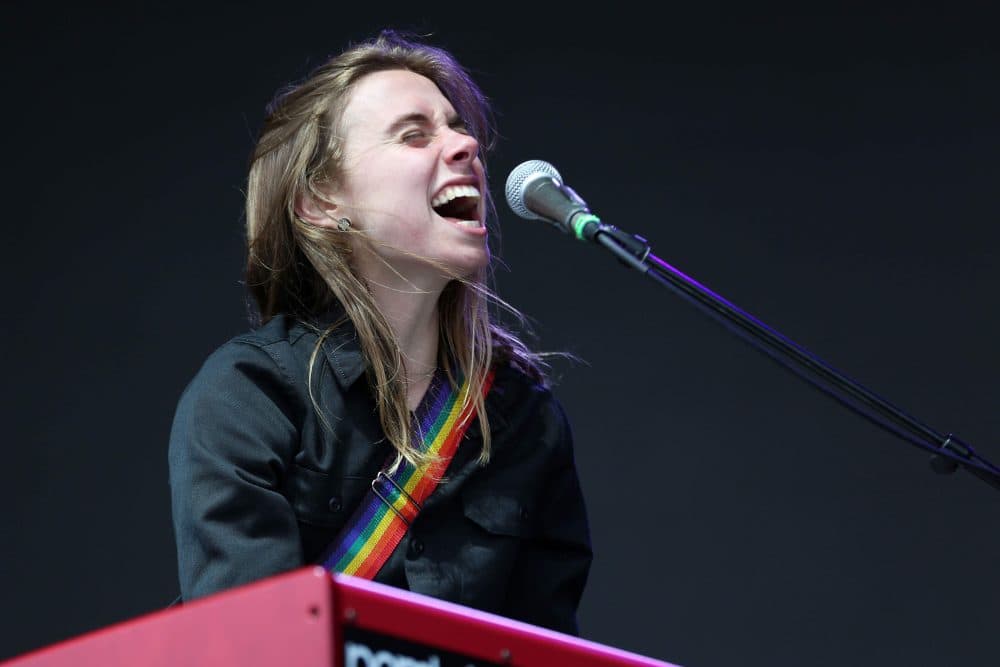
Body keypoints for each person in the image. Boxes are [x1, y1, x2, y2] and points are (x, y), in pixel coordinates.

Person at [167, 29, 592, 635]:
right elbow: (249, 645)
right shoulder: (250, 395)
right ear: (320, 201)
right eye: (414, 134)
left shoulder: (523, 416)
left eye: (458, 127)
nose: (467, 143)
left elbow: (545, 646)